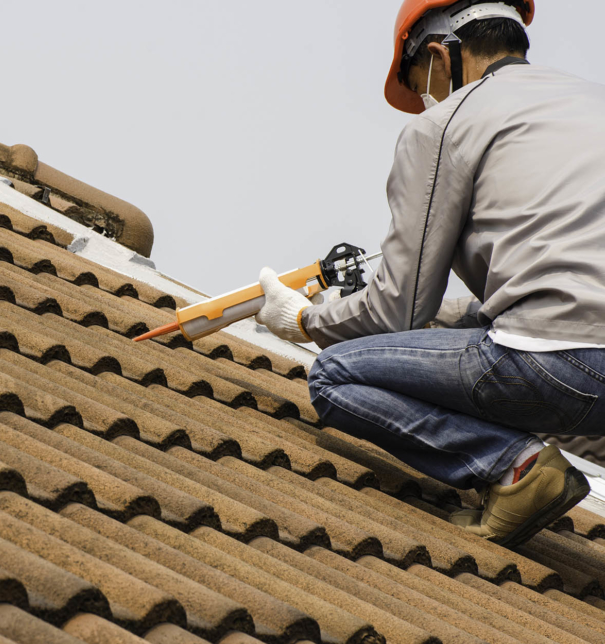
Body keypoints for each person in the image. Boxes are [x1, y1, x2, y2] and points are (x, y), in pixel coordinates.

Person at [254, 0, 604, 549]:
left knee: (334, 375)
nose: (426, 103)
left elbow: (398, 309)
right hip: (582, 364)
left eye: (422, 87)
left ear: (441, 57)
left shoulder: (448, 122)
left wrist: (306, 319)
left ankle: (517, 469)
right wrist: (444, 319)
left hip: (557, 359)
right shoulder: (589, 101)